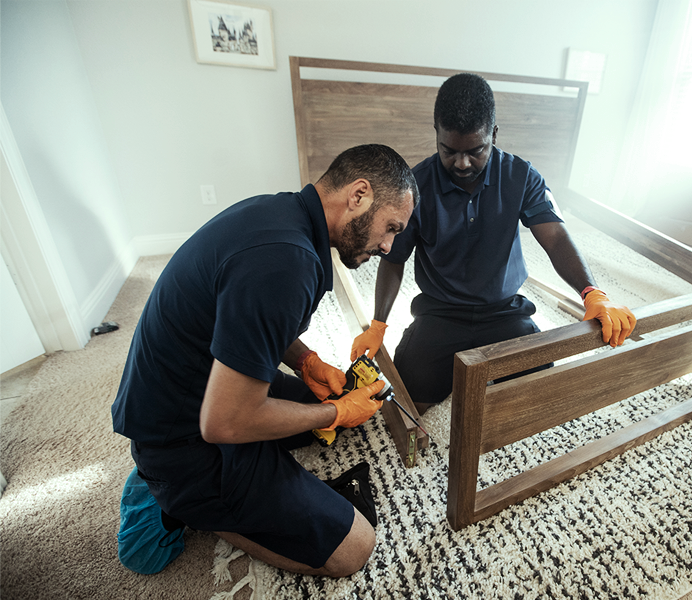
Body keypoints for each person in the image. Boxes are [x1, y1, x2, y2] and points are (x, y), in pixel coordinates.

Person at [111, 144, 418, 577]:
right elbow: (226, 424)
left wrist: (307, 361)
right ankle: (179, 501)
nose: (388, 245)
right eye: (391, 227)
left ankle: (194, 486)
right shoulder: (286, 263)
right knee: (354, 548)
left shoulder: (279, 215)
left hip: (194, 386)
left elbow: (243, 316)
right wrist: (334, 411)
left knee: (323, 424)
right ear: (359, 195)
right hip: (184, 438)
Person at [350, 73, 636, 414]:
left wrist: (592, 292)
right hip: (441, 311)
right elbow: (394, 259)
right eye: (449, 151)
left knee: (536, 400)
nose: (462, 163)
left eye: (476, 150)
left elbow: (555, 237)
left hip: (504, 311)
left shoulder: (522, 176)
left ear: (494, 135)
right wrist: (379, 322)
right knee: (409, 401)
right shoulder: (414, 186)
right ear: (436, 134)